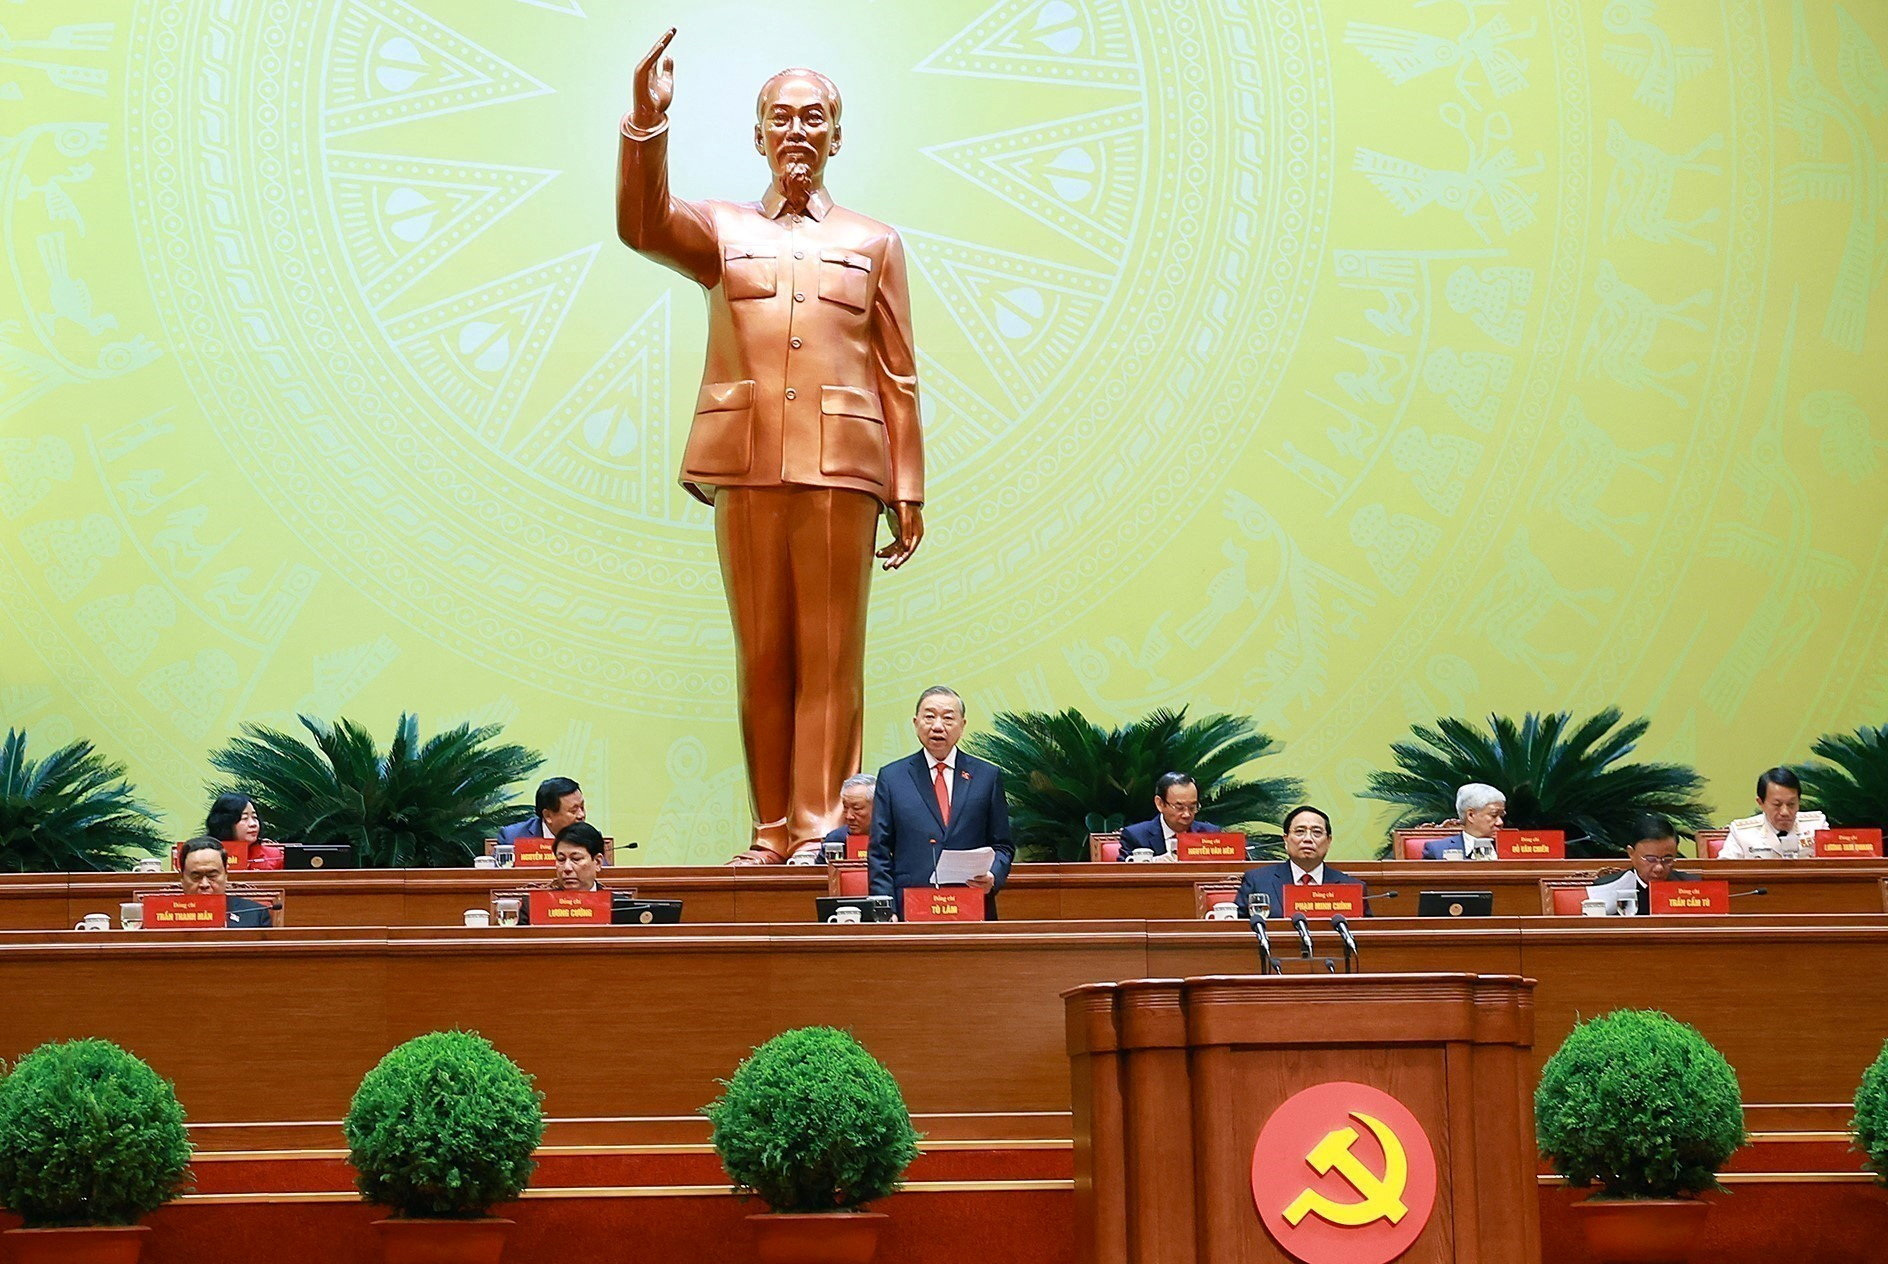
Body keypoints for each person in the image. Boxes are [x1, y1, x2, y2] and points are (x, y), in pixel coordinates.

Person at [619, 30, 926, 865]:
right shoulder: (720, 229)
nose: (797, 130)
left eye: (813, 117)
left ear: (836, 136)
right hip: (745, 462)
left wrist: (909, 486)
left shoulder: (874, 242)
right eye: (780, 117)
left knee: (830, 661)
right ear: (758, 135)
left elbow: (897, 372)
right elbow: (642, 225)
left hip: (843, 469)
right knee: (763, 656)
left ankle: (823, 829)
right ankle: (767, 832)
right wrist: (646, 124)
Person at [869, 687, 1013, 917]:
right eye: (929, 716)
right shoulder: (892, 777)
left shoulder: (987, 776)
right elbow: (879, 851)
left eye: (948, 718)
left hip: (970, 904)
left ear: (962, 725)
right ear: (916, 723)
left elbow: (1003, 845)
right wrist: (885, 910)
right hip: (910, 906)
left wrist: (993, 877)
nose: (938, 726)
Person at [1234, 806, 1367, 919]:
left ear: (1328, 841)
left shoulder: (1351, 888)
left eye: (1316, 832)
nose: (1308, 839)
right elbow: (1238, 931)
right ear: (1286, 839)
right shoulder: (1257, 881)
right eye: (1300, 832)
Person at [518, 822, 633, 924]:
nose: (567, 868)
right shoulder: (534, 907)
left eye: (576, 859)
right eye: (561, 859)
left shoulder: (620, 908)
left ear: (597, 862)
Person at [1587, 814, 1698, 914]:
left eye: (1667, 859)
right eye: (1651, 859)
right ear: (1631, 853)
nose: (1658, 868)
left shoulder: (1692, 887)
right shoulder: (1606, 889)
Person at [1720, 767, 1828, 859]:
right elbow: (1722, 871)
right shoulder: (1742, 833)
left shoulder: (1817, 825)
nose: (1785, 812)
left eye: (1791, 804)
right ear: (1761, 803)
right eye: (1777, 805)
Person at [1116, 772, 1221, 860]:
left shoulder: (1211, 835)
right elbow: (1122, 877)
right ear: (1160, 804)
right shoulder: (1135, 836)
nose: (1187, 814)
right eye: (1179, 807)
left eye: (1192, 807)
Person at [176, 837, 273, 928]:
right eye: (196, 877)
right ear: (182, 877)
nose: (204, 884)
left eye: (212, 876)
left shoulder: (254, 914)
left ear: (226, 873)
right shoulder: (164, 915)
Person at [788, 774, 875, 864]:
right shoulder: (835, 840)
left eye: (856, 809)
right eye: (845, 808)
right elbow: (820, 875)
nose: (849, 816)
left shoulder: (889, 837)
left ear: (877, 807)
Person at [1420, 783, 1505, 859]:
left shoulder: (1513, 848)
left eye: (1501, 816)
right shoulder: (1438, 851)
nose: (1500, 822)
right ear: (1471, 815)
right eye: (1494, 815)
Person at [497, 777, 586, 847]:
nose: (581, 815)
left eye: (582, 807)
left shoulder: (591, 838)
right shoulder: (512, 837)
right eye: (573, 811)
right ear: (548, 816)